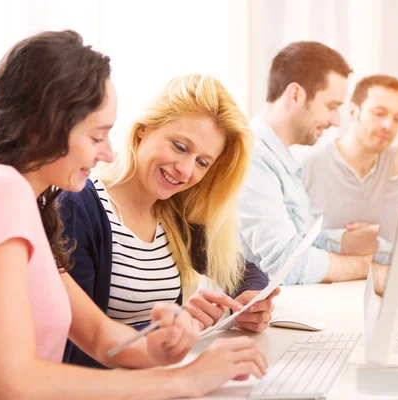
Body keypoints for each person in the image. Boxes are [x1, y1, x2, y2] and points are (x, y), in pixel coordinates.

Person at [0, 30, 266, 400]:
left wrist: (163, 349)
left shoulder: (28, 205)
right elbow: (13, 383)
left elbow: (99, 335)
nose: (109, 154)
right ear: (45, 127)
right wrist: (182, 380)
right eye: (97, 137)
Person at [59, 73, 278, 368]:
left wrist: (251, 299)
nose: (186, 171)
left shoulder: (173, 213)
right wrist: (173, 329)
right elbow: (71, 349)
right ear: (143, 130)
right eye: (180, 146)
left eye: (202, 162)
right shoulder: (80, 207)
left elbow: (238, 270)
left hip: (160, 381)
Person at [238, 41, 389, 289]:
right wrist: (368, 267)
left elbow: (299, 241)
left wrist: (351, 241)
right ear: (296, 94)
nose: (335, 120)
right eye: (331, 106)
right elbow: (287, 264)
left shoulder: (280, 160)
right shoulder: (252, 159)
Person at [300, 75, 398, 257]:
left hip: (377, 280)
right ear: (352, 112)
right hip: (326, 281)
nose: (388, 125)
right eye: (379, 113)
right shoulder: (308, 165)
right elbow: (292, 243)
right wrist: (352, 241)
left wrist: (378, 235)